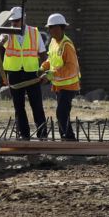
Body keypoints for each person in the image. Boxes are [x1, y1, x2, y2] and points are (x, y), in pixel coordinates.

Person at [0, 6, 48, 140]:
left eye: (17, 20)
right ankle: (24, 135)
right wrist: (1, 40)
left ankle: (42, 135)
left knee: (37, 105)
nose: (14, 23)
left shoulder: (34, 32)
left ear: (24, 18)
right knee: (19, 107)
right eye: (12, 21)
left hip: (32, 73)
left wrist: (46, 71)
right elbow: (1, 39)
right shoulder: (7, 33)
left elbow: (42, 53)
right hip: (14, 74)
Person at [40, 12, 80, 141]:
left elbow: (71, 68)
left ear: (60, 27)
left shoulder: (66, 45)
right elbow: (51, 59)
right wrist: (43, 67)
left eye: (52, 27)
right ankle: (66, 137)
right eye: (49, 28)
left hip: (69, 85)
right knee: (62, 113)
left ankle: (69, 138)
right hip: (59, 85)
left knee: (61, 113)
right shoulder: (53, 42)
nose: (50, 30)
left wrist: (52, 74)